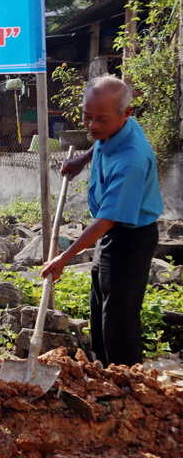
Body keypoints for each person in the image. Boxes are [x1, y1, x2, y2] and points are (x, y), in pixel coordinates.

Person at [42, 75, 162, 367]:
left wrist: (64, 257)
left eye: (101, 119)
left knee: (118, 318)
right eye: (87, 117)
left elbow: (106, 220)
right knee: (99, 305)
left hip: (130, 238)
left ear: (126, 113)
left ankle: (125, 381)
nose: (93, 126)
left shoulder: (131, 160)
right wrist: (82, 160)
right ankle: (101, 371)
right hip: (114, 233)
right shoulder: (115, 128)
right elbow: (101, 140)